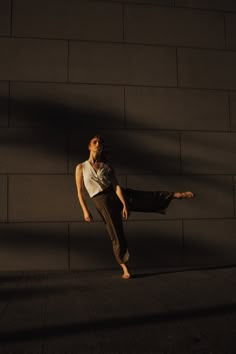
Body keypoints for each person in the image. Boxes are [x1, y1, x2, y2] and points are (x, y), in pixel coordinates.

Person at [75, 135, 195, 279]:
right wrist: (85, 211)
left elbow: (117, 186)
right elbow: (80, 192)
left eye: (100, 142)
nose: (98, 144)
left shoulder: (107, 167)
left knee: (138, 196)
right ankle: (125, 268)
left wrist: (125, 205)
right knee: (115, 232)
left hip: (114, 194)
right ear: (89, 146)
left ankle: (173, 196)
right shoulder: (81, 167)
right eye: (95, 142)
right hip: (101, 201)